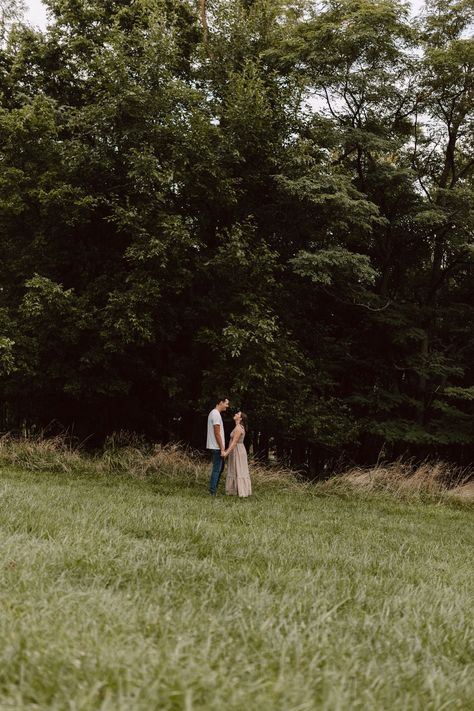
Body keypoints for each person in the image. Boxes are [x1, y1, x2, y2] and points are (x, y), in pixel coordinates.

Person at [224, 411, 251, 498]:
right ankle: (234, 490)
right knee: (235, 469)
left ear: (240, 418)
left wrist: (226, 453)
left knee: (239, 469)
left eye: (237, 414)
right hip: (235, 450)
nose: (235, 414)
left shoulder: (239, 428)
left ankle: (242, 491)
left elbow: (234, 442)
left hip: (238, 450)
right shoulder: (237, 427)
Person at [206, 397, 229, 496]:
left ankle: (214, 489)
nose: (227, 406)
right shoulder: (215, 414)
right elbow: (217, 433)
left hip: (217, 446)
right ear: (220, 402)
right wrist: (222, 448)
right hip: (217, 447)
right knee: (217, 470)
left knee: (220, 469)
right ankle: (212, 492)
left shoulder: (215, 413)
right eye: (226, 403)